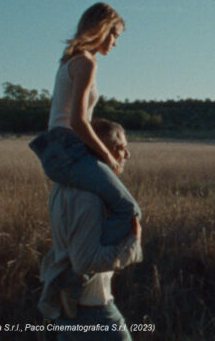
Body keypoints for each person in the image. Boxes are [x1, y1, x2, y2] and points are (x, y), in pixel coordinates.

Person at [29, 2, 140, 246]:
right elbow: (77, 121)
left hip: (61, 147)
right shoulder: (86, 62)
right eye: (115, 35)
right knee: (129, 209)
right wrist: (108, 157)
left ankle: (82, 254)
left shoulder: (70, 60)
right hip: (69, 148)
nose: (115, 43)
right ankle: (90, 257)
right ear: (102, 28)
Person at [38, 119, 142, 341]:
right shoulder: (87, 196)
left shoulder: (63, 186)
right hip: (93, 313)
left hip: (74, 312)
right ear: (105, 150)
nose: (127, 155)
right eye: (122, 148)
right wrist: (132, 244)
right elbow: (85, 261)